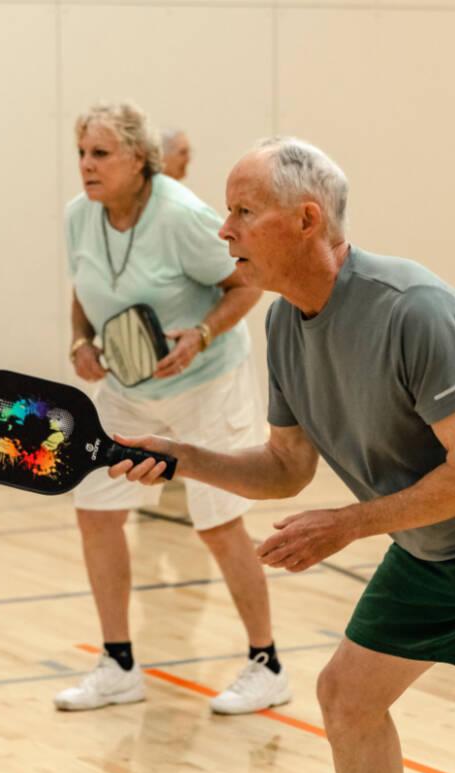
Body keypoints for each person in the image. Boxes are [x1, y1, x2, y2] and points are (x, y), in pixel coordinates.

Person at [110, 137, 455, 773]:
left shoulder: (415, 310)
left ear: (307, 220)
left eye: (242, 210)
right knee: (346, 699)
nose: (223, 228)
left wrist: (347, 524)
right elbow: (288, 467)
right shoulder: (287, 328)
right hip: (438, 542)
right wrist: (185, 459)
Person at [55, 101, 291, 715]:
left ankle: (266, 664)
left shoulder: (183, 216)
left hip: (207, 385)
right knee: (96, 512)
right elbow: (84, 288)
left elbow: (248, 283)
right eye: (82, 152)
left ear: (140, 159)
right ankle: (118, 665)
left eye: (101, 153)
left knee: (216, 524)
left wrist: (201, 336)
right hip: (129, 392)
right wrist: (81, 341)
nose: (86, 164)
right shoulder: (80, 217)